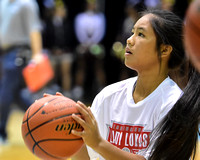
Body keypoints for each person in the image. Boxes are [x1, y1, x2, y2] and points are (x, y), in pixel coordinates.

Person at [44, 9, 186, 160]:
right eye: (132, 32)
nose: (129, 40)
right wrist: (71, 122)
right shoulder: (109, 96)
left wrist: (98, 143)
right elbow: (85, 155)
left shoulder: (175, 105)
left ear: (164, 49)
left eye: (141, 34)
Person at [0, 0, 43, 143]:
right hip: (5, 54)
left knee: (5, 92)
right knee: (15, 95)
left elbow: (34, 29)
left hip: (18, 53)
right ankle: (44, 118)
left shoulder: (27, 4)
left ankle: (1, 132)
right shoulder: (3, 3)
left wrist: (37, 54)